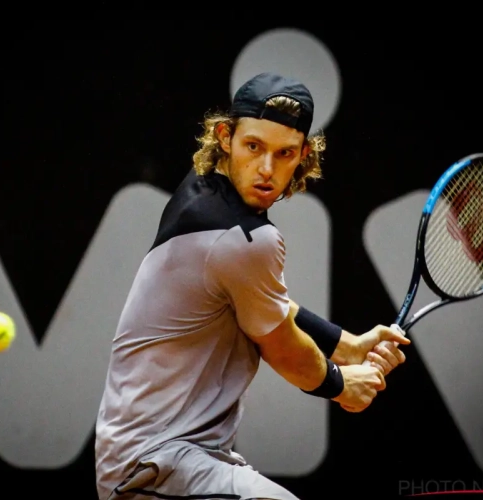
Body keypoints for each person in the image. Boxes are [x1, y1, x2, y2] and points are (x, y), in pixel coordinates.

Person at [94, 72, 411, 500]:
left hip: (160, 459)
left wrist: (347, 344)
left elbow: (264, 303)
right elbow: (281, 346)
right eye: (254, 147)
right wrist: (341, 385)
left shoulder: (204, 188)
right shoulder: (244, 240)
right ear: (225, 136)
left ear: (303, 156)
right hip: (156, 463)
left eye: (284, 154)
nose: (266, 169)